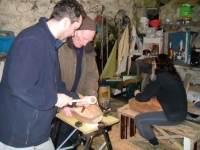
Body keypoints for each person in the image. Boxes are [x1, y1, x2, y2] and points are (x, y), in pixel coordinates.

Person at [0, 0, 89, 149]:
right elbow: (20, 86)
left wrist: (74, 99)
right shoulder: (32, 40)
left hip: (39, 131)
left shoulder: (50, 43)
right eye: (75, 28)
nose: (74, 33)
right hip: (20, 134)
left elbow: (55, 83)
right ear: (67, 22)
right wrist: (54, 99)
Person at [52, 16, 99, 149]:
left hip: (75, 99)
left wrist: (90, 95)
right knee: (56, 137)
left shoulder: (88, 50)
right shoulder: (59, 47)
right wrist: (61, 103)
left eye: (89, 40)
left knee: (72, 135)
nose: (85, 43)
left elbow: (91, 75)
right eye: (84, 38)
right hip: (57, 99)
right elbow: (51, 78)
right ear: (75, 31)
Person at [134, 54, 187, 147]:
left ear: (159, 65)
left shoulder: (160, 77)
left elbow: (144, 98)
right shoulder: (174, 75)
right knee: (151, 110)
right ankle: (150, 127)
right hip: (181, 113)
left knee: (138, 119)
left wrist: (137, 94)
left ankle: (154, 141)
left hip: (173, 117)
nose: (154, 66)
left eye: (154, 64)